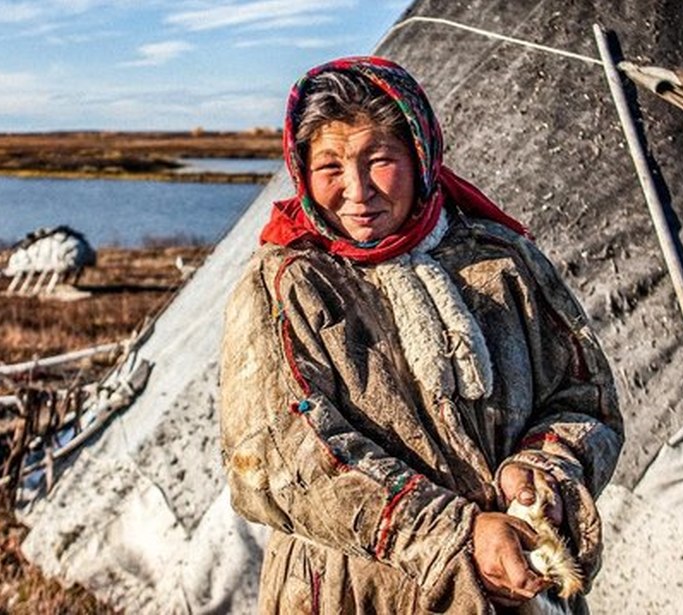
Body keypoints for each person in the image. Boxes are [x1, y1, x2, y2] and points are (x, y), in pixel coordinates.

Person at [220, 56, 622, 614]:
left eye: (379, 159)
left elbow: (585, 398)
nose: (357, 190)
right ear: (303, 172)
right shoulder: (289, 284)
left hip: (519, 581)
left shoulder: (502, 261)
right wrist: (457, 538)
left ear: (419, 155)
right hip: (352, 593)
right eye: (331, 167)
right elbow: (277, 462)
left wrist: (542, 474)